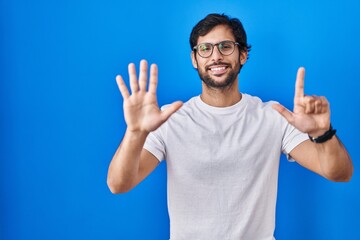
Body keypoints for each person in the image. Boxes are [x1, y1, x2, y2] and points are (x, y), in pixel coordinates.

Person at [107, 13, 353, 239]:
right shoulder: (170, 120)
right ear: (194, 59)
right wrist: (135, 133)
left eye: (226, 46)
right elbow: (119, 184)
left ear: (243, 54)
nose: (216, 56)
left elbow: (339, 173)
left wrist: (323, 133)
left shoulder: (273, 117)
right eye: (205, 48)